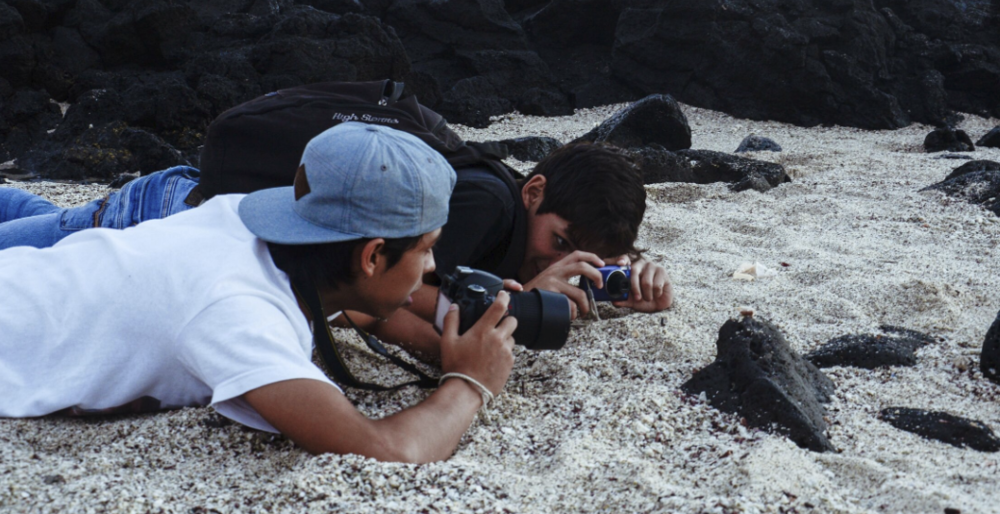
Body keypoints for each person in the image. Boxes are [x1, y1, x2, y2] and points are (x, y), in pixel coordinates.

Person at [0, 122, 517, 462]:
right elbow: (383, 449)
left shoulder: (242, 218)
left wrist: (447, 331)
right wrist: (469, 382)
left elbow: (352, 308)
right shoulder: (241, 317)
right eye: (428, 250)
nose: (431, 269)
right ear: (372, 255)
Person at [0, 141, 672, 358]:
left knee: (53, 221)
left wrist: (621, 284)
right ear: (533, 191)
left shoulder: (510, 224)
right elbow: (398, 299)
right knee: (58, 239)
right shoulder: (482, 203)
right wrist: (522, 300)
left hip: (184, 211)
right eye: (559, 241)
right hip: (163, 218)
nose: (553, 255)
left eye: (595, 256)